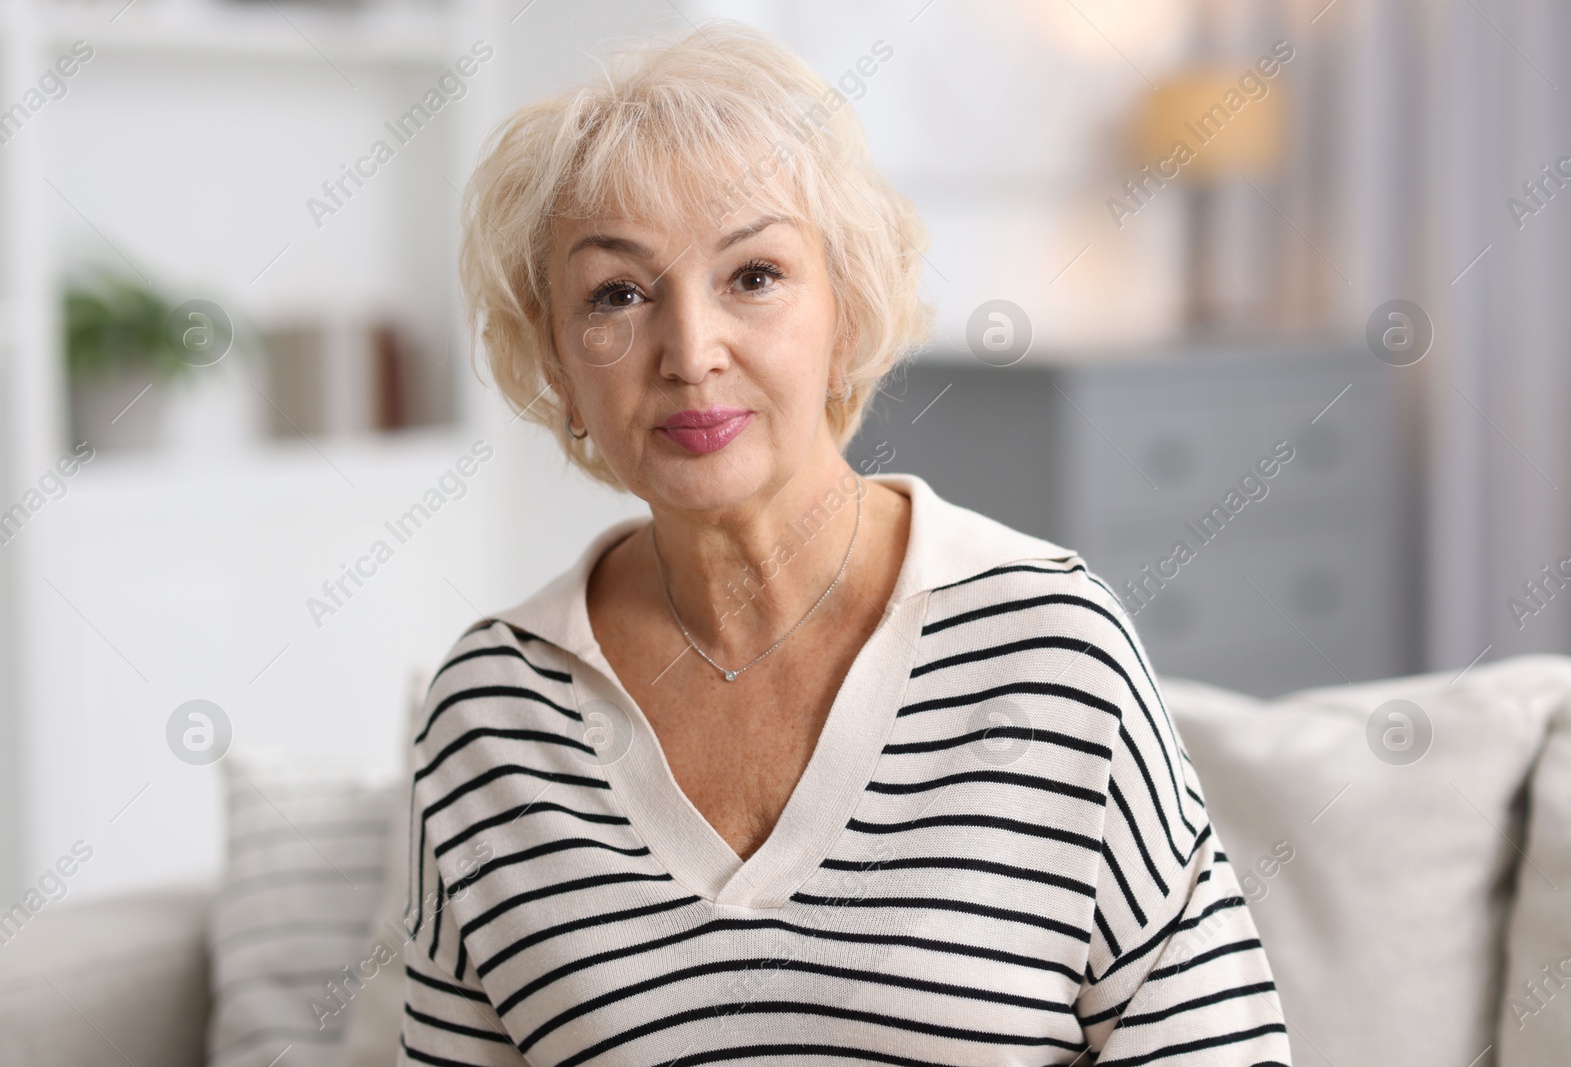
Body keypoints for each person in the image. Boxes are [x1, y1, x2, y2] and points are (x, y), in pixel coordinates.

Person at [400, 19, 1291, 1066]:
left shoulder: (1051, 646)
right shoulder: (488, 715)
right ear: (554, 356)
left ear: (847, 308)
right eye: (618, 294)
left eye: (754, 275)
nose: (690, 352)